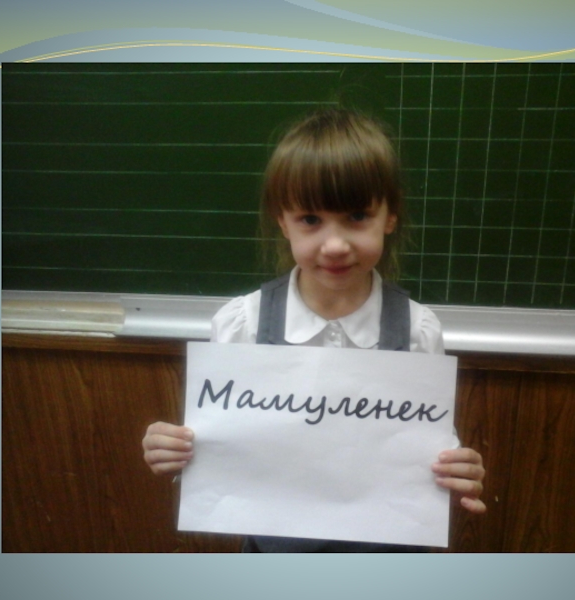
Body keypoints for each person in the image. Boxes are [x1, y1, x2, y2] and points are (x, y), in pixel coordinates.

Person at [142, 107, 486, 552]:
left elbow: (429, 450)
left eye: (357, 215)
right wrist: (172, 449)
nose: (335, 245)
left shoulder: (418, 330)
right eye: (310, 219)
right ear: (282, 221)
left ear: (390, 216)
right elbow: (216, 448)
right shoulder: (242, 323)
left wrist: (458, 471)